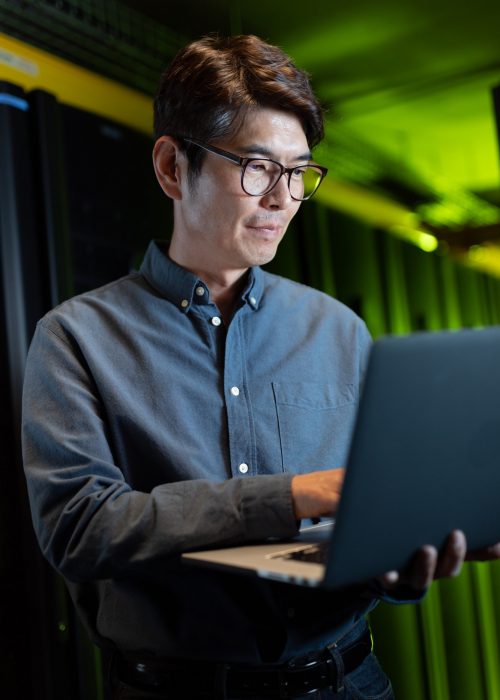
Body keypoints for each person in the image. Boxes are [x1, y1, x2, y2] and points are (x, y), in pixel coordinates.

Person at [22, 34, 500, 700]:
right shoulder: (76, 338)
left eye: (299, 171)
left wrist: (399, 564)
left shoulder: (338, 330)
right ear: (171, 167)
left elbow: (362, 524)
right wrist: (294, 494)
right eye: (256, 166)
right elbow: (80, 528)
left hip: (350, 682)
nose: (283, 197)